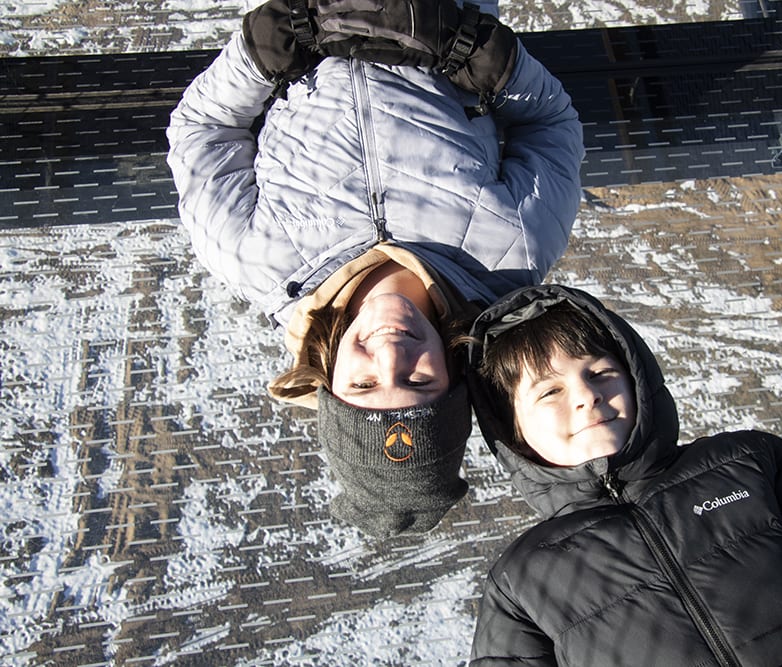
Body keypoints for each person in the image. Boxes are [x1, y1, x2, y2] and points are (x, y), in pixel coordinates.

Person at [165, 0, 584, 537]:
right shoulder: (512, 252)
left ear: (329, 381)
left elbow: (204, 128)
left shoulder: (250, 257)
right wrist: (484, 57)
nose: (390, 353)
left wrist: (263, 54)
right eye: (417, 379)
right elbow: (549, 123)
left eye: (363, 385)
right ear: (455, 374)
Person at [464, 284, 782, 666]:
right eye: (548, 391)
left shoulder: (750, 464)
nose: (586, 395)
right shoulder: (520, 580)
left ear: (636, 376)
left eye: (599, 371)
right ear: (515, 430)